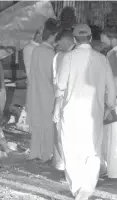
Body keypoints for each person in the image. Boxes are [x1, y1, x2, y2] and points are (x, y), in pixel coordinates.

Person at [53, 24, 116, 200]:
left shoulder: (68, 58)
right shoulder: (102, 59)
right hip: (94, 112)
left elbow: (60, 87)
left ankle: (77, 188)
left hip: (71, 111)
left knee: (71, 149)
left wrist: (56, 107)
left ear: (74, 39)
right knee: (93, 149)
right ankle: (87, 189)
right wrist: (109, 106)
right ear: (90, 38)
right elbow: (111, 86)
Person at [26, 18, 59, 162]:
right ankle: (46, 155)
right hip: (48, 95)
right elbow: (54, 78)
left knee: (37, 126)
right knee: (48, 127)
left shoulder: (36, 50)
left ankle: (35, 153)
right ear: (52, 36)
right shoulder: (51, 54)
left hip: (35, 93)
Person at [52, 29, 76, 171]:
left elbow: (59, 84)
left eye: (59, 42)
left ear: (66, 41)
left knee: (62, 134)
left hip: (65, 102)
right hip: (75, 102)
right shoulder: (63, 55)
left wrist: (56, 106)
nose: (57, 45)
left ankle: (66, 166)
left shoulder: (63, 57)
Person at [100, 28, 117, 179]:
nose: (102, 40)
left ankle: (113, 170)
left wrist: (109, 102)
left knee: (113, 136)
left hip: (115, 98)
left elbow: (113, 80)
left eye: (103, 37)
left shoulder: (112, 54)